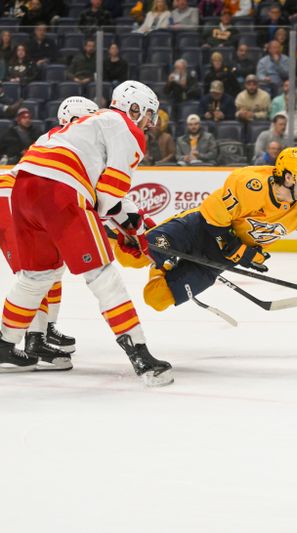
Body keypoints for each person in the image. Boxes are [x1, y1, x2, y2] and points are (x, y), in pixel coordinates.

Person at [0, 81, 173, 385]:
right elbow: (107, 198)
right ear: (135, 108)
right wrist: (132, 230)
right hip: (60, 192)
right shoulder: (127, 129)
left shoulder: (81, 126)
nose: (149, 123)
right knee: (103, 275)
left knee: (37, 276)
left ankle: (3, 345)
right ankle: (143, 358)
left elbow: (101, 200)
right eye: (148, 115)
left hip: (24, 191)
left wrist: (128, 227)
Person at [138, 147, 297, 318]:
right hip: (199, 229)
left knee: (156, 298)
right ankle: (153, 256)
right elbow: (212, 217)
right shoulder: (251, 184)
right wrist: (235, 248)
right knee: (134, 254)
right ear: (289, 177)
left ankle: (161, 266)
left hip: (216, 260)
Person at [0, 96, 98, 371]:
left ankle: (42, 331)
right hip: (10, 198)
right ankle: (31, 339)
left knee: (52, 268)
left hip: (14, 197)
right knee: (36, 274)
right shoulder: (71, 142)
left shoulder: (63, 139)